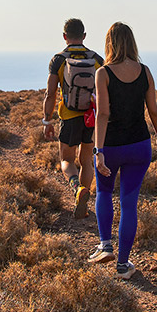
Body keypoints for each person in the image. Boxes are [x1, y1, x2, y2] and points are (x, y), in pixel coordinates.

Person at [88, 22, 157, 279]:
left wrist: (98, 150)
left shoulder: (104, 73)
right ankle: (123, 265)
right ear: (132, 42)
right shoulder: (145, 71)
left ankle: (105, 246)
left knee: (104, 191)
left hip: (111, 146)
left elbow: (103, 114)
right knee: (129, 203)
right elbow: (153, 109)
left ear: (109, 43)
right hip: (139, 145)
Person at [43, 18, 103, 219]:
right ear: (84, 36)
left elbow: (50, 94)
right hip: (92, 118)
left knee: (66, 160)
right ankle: (83, 203)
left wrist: (47, 120)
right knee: (86, 160)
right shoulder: (96, 59)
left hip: (69, 117)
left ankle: (77, 189)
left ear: (64, 36)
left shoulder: (59, 60)